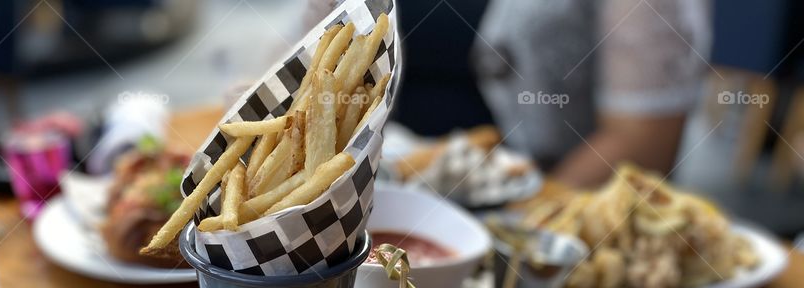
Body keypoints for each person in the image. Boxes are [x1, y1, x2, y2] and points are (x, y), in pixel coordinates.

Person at [305, 0, 711, 187]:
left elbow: (646, 140)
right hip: (367, 214)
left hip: (541, 224)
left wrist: (515, 233)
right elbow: (309, 69)